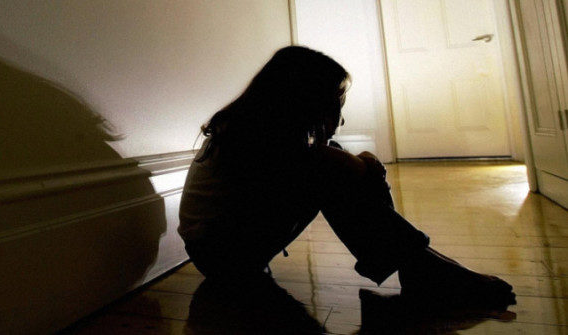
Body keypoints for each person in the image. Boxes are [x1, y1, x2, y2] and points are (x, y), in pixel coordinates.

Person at [178, 46, 515, 308]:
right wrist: (363, 162)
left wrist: (354, 162)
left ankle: (416, 264)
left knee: (330, 161)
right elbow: (352, 169)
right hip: (222, 257)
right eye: (336, 101)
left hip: (224, 252)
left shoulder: (253, 125)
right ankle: (419, 265)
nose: (339, 115)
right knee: (329, 166)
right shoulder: (255, 133)